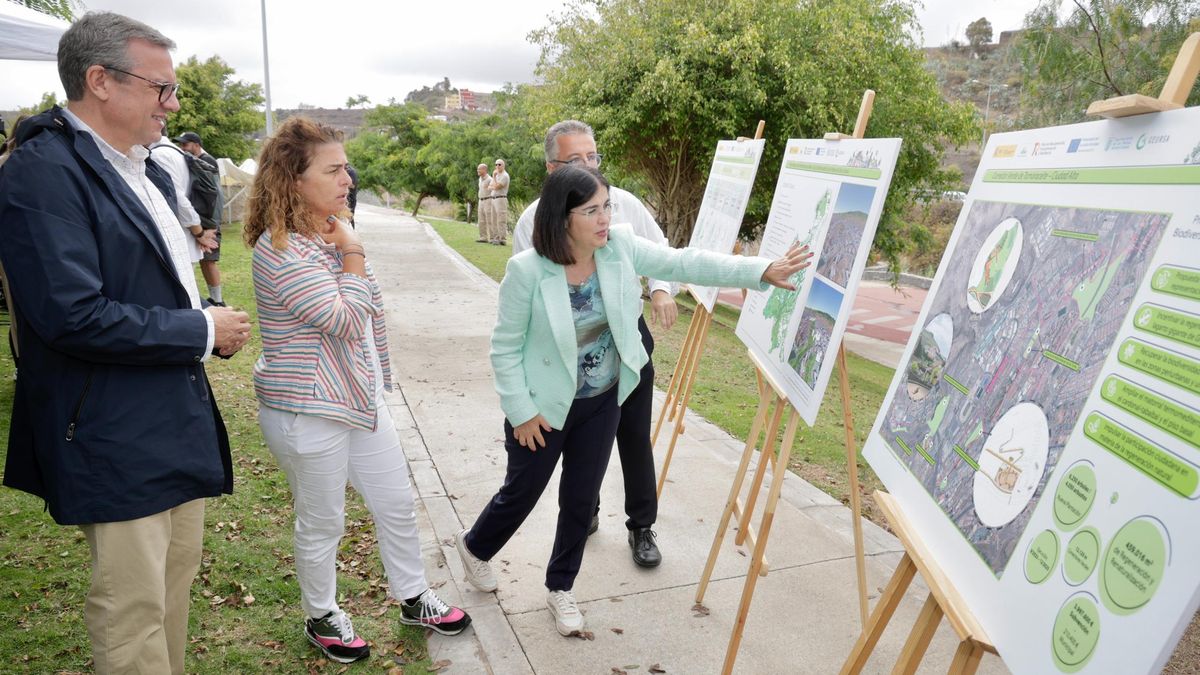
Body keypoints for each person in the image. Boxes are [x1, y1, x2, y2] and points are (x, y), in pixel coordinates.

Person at [456, 166, 811, 636]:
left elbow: (683, 262)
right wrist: (521, 412)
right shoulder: (527, 270)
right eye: (591, 211)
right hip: (543, 409)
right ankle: (476, 548)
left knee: (580, 502)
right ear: (563, 218)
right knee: (519, 496)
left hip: (603, 400)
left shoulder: (619, 247)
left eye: (607, 207)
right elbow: (504, 348)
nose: (604, 219)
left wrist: (758, 269)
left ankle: (560, 588)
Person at [0, 12, 252, 674]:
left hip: (170, 417)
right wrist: (200, 329)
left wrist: (201, 319)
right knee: (131, 613)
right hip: (111, 428)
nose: (173, 103)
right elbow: (71, 313)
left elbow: (149, 286)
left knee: (169, 596)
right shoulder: (42, 172)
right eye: (161, 87)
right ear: (100, 81)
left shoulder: (146, 169)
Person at [246, 116, 471, 664]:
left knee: (395, 503)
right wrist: (353, 250)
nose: (347, 178)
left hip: (359, 400)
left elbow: (366, 313)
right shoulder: (279, 251)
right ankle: (321, 614)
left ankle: (414, 597)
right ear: (293, 180)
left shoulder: (327, 235)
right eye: (333, 169)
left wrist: (346, 247)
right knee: (323, 521)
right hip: (309, 411)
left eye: (346, 167)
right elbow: (345, 319)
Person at [513, 119, 676, 568]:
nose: (589, 166)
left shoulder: (622, 205)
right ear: (551, 169)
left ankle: (642, 525)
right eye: (575, 159)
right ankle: (584, 513)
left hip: (626, 341)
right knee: (583, 441)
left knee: (634, 437)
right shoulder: (532, 221)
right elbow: (526, 304)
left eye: (593, 156)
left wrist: (660, 290)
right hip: (572, 355)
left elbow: (661, 251)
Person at [173, 131, 226, 304]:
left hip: (209, 222)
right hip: (200, 221)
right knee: (202, 261)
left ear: (196, 144)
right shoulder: (191, 160)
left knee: (209, 261)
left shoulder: (206, 161)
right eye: (181, 145)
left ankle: (218, 300)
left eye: (186, 144)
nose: (183, 148)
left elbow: (215, 194)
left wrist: (212, 225)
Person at [149, 134, 216, 265]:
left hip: (176, 238)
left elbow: (178, 198)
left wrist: (199, 233)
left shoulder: (158, 155)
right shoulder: (176, 153)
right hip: (185, 234)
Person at [488, 158, 510, 245]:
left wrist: (493, 177)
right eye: (496, 164)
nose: (497, 166)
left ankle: (502, 239)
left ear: (503, 166)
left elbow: (497, 187)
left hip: (501, 198)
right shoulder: (497, 176)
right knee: (494, 219)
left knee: (501, 219)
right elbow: (489, 187)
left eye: (499, 164)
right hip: (493, 198)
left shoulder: (505, 176)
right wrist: (494, 183)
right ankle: (496, 238)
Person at [476, 162, 493, 243]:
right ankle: (483, 237)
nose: (477, 170)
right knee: (481, 220)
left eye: (479, 169)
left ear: (485, 169)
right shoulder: (480, 179)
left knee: (489, 219)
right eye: (478, 169)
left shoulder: (490, 179)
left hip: (488, 200)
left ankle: (492, 238)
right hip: (480, 200)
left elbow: (492, 190)